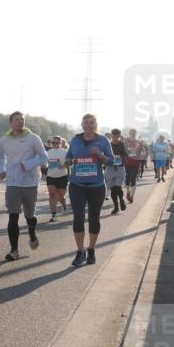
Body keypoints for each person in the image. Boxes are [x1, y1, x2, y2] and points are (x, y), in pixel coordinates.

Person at [65, 114, 114, 268]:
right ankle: (80, 252)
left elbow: (112, 161)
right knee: (78, 219)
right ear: (82, 124)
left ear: (95, 125)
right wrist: (66, 162)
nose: (89, 125)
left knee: (94, 219)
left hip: (96, 186)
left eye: (92, 122)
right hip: (77, 185)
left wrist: (99, 154)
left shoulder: (103, 140)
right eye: (86, 122)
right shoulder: (75, 140)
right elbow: (68, 157)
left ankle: (91, 249)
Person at [0, 112, 48, 260]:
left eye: (22, 120)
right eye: (17, 120)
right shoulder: (4, 139)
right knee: (13, 216)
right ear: (10, 123)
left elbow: (44, 157)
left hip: (30, 182)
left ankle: (32, 232)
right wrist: (2, 170)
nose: (20, 122)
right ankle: (14, 250)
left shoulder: (33, 138)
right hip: (12, 182)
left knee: (29, 215)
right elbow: (0, 156)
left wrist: (27, 164)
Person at [45, 136, 69, 222]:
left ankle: (63, 202)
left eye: (57, 143)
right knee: (52, 195)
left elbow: (69, 162)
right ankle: (54, 215)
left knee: (60, 196)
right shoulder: (48, 152)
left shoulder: (65, 152)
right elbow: (44, 163)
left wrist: (63, 166)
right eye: (53, 143)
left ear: (61, 143)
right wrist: (44, 165)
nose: (55, 144)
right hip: (51, 176)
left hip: (62, 176)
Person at [105, 128, 129, 215]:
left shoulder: (122, 144)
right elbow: (103, 154)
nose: (115, 137)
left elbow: (127, 153)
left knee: (118, 187)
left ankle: (122, 200)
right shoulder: (108, 145)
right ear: (111, 135)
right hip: (110, 168)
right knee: (113, 189)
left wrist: (124, 146)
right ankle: (116, 207)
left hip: (120, 168)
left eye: (117, 135)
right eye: (113, 135)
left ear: (119, 135)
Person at [123, 128, 142, 204]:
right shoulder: (125, 141)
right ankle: (128, 192)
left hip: (135, 163)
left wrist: (140, 165)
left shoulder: (139, 142)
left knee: (133, 179)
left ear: (136, 134)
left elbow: (140, 154)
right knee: (127, 180)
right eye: (132, 132)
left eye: (134, 133)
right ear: (129, 133)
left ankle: (131, 196)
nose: (133, 134)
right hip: (127, 163)